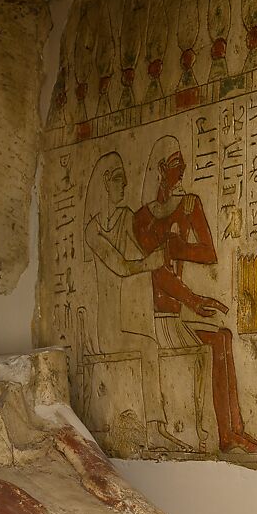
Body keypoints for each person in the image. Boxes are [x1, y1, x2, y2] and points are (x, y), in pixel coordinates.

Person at [133, 135, 257, 456]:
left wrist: (176, 245)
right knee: (217, 341)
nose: (182, 169)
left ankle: (233, 433)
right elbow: (157, 274)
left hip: (179, 310)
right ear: (160, 169)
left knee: (223, 337)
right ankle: (228, 433)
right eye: (175, 164)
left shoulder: (189, 205)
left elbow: (209, 253)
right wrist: (195, 300)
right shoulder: (142, 218)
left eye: (181, 163)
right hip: (153, 318)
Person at [83, 151, 189, 452]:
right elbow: (122, 265)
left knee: (153, 342)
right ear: (105, 182)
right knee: (148, 346)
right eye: (118, 179)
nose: (124, 185)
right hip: (109, 328)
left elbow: (143, 253)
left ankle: (157, 428)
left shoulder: (126, 218)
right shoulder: (94, 231)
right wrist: (152, 261)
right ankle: (155, 429)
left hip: (131, 317)